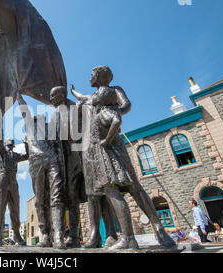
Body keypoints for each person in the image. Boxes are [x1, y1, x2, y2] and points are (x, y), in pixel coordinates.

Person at [71, 65, 176, 249]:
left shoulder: (113, 91)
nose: (89, 78)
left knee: (121, 187)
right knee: (133, 187)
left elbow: (126, 104)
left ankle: (145, 233)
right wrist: (74, 92)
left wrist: (115, 112)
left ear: (99, 76)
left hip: (105, 143)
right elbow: (84, 97)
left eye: (91, 74)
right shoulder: (95, 96)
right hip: (106, 140)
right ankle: (158, 232)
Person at [17, 93, 67, 248]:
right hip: (36, 162)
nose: (40, 117)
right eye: (37, 117)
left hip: (53, 161)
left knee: (56, 197)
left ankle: (58, 236)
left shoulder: (52, 127)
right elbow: (23, 108)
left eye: (42, 117)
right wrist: (18, 93)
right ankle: (45, 234)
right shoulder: (30, 126)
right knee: (39, 200)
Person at [49, 86, 88, 249]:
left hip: (84, 153)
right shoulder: (54, 115)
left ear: (62, 95)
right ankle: (72, 236)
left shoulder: (77, 107)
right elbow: (52, 139)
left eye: (53, 95)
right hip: (66, 160)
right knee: (72, 197)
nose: (51, 98)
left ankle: (107, 234)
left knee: (96, 193)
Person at [0, 114, 29, 247]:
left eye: (11, 145)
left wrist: (26, 144)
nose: (10, 146)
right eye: (9, 145)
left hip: (13, 181)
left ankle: (17, 235)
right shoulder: (1, 151)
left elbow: (27, 156)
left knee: (15, 208)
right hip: (2, 178)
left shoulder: (15, 155)